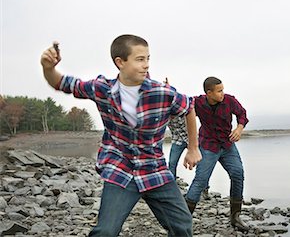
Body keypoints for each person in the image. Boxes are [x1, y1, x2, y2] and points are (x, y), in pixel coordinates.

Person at [40, 35, 202, 237]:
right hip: (120, 169)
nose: (146, 65)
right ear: (120, 62)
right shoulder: (102, 89)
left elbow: (189, 107)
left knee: (183, 226)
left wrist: (193, 148)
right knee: (106, 231)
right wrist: (48, 68)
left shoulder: (162, 93)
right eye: (140, 59)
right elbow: (62, 83)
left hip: (154, 169)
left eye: (148, 59)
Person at [185, 76, 250, 231]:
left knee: (238, 173)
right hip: (208, 146)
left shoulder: (229, 101)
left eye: (223, 90)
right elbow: (181, 106)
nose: (222, 93)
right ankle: (183, 220)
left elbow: (242, 114)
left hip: (227, 145)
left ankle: (235, 217)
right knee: (201, 180)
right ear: (209, 93)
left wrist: (239, 129)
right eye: (219, 91)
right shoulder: (197, 103)